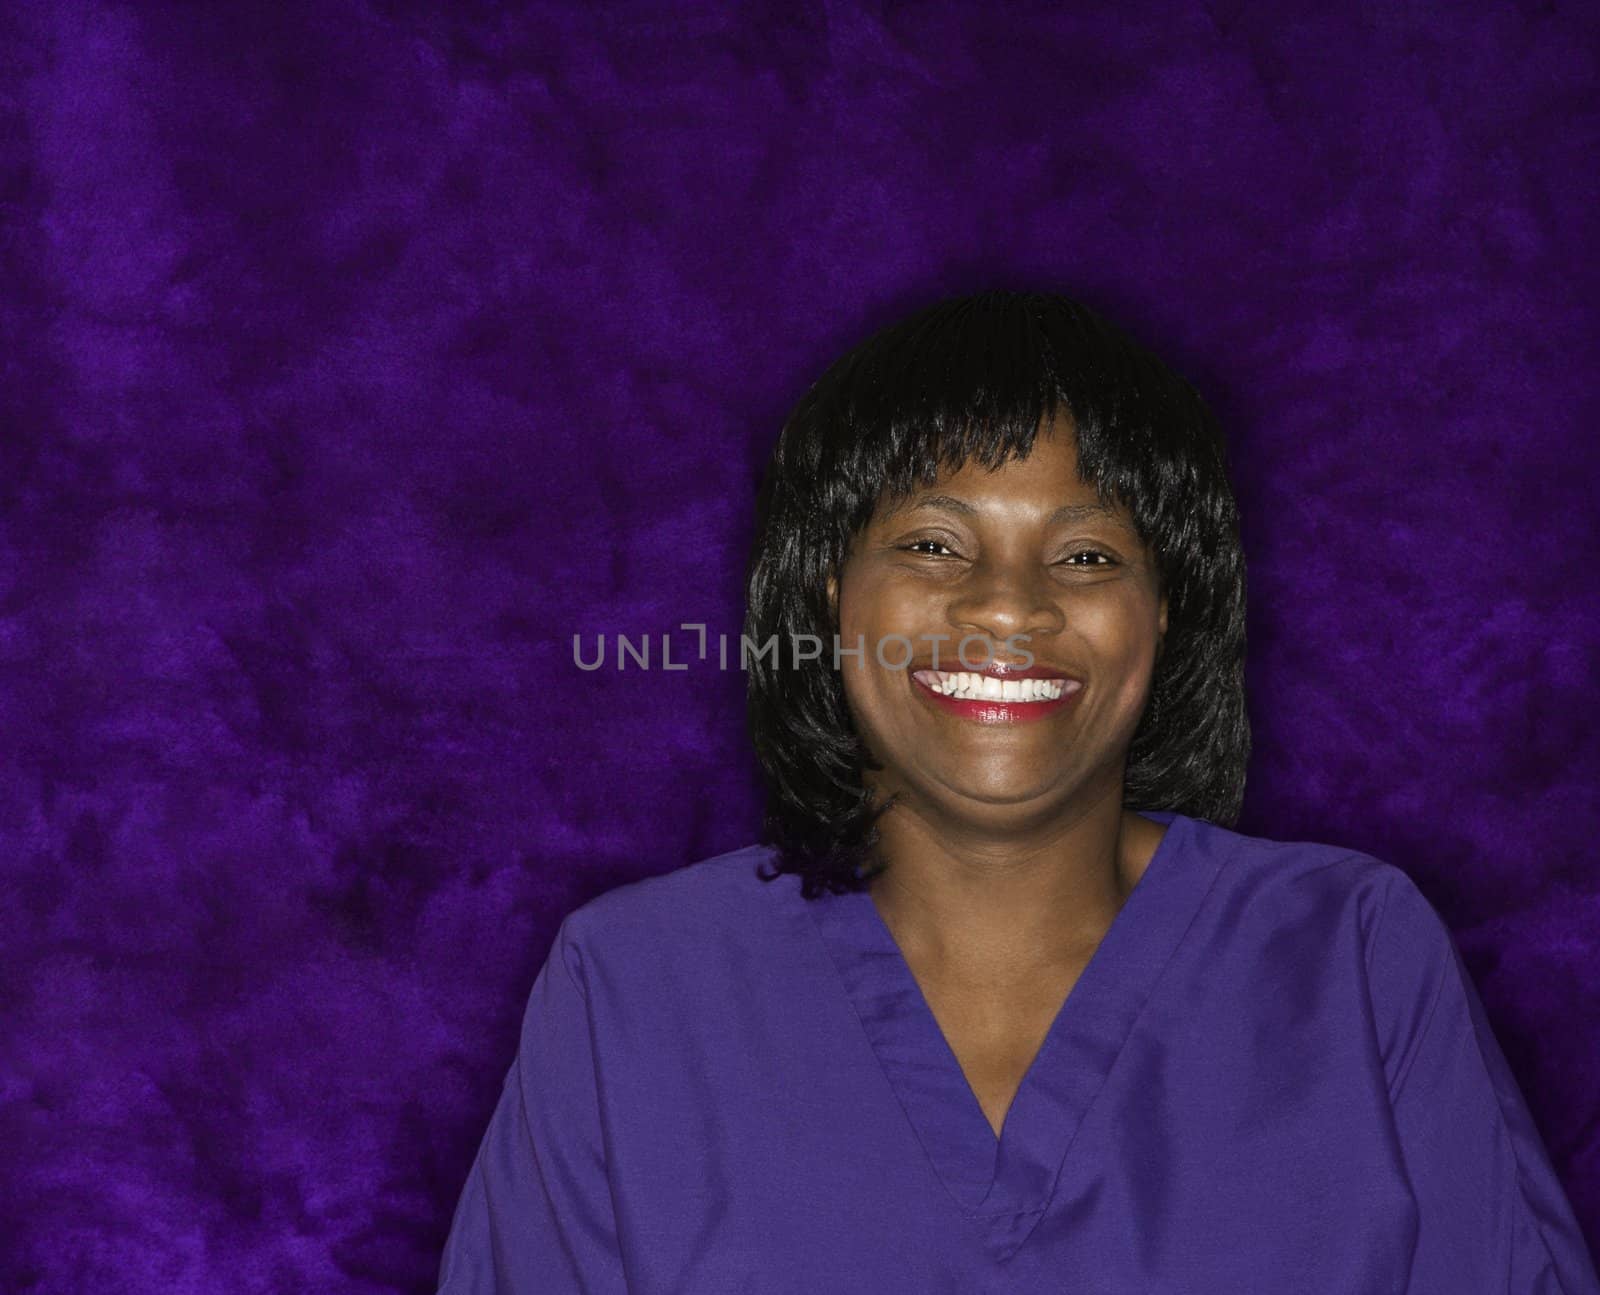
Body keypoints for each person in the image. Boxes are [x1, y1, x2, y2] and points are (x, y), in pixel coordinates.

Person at [436, 291, 1599, 1291]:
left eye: (1087, 554)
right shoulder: (634, 990)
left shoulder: (1351, 955)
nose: (1007, 606)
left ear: (1167, 616)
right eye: (934, 545)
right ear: (825, 600)